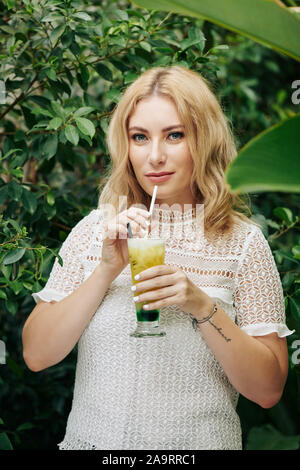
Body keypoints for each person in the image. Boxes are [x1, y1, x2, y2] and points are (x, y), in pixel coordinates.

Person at [22, 65, 294, 450]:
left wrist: (200, 304)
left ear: (205, 138)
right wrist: (105, 270)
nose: (155, 156)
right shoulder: (97, 229)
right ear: (125, 144)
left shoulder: (243, 243)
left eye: (175, 135)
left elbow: (267, 390)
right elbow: (36, 354)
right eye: (139, 137)